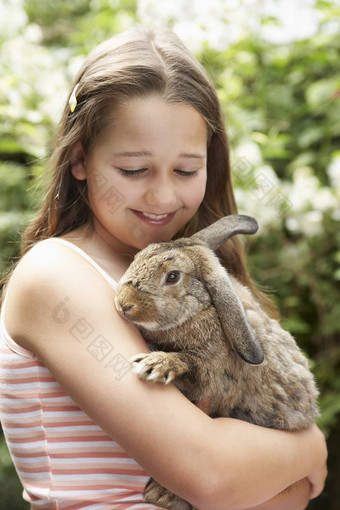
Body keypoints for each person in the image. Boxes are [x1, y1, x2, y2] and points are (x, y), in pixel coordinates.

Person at [0, 26, 327, 510]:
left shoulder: (186, 275)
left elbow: (285, 490)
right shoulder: (58, 277)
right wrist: (309, 449)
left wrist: (284, 473)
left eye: (186, 170)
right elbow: (214, 478)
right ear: (79, 159)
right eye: (133, 170)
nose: (163, 197)